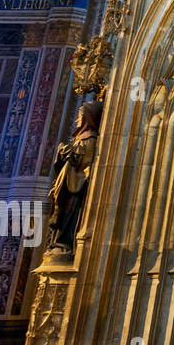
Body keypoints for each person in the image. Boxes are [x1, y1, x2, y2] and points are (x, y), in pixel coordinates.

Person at [46, 101, 102, 253]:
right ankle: (57, 243)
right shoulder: (80, 138)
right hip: (66, 183)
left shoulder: (91, 139)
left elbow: (85, 164)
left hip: (75, 185)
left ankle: (63, 243)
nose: (77, 119)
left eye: (80, 115)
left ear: (88, 117)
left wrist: (71, 155)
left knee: (69, 217)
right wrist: (62, 153)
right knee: (61, 214)